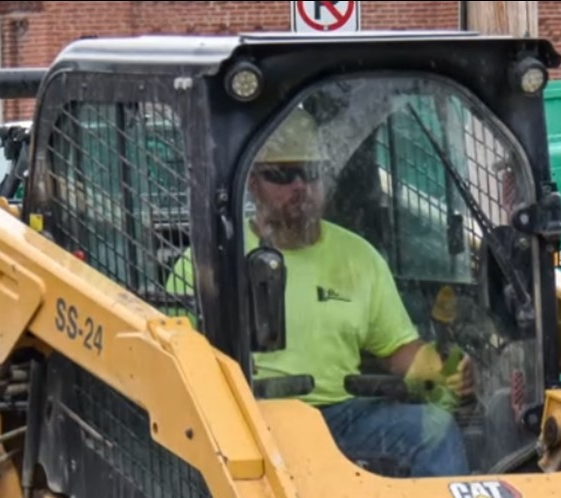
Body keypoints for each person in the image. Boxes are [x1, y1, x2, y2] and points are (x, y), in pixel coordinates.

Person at [169, 106, 472, 478]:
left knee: (434, 430)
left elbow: (397, 347)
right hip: (248, 415)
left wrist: (442, 374)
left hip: (341, 416)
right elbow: (174, 354)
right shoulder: (209, 261)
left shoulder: (358, 256)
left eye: (310, 173)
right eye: (283, 175)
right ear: (252, 182)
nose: (300, 187)